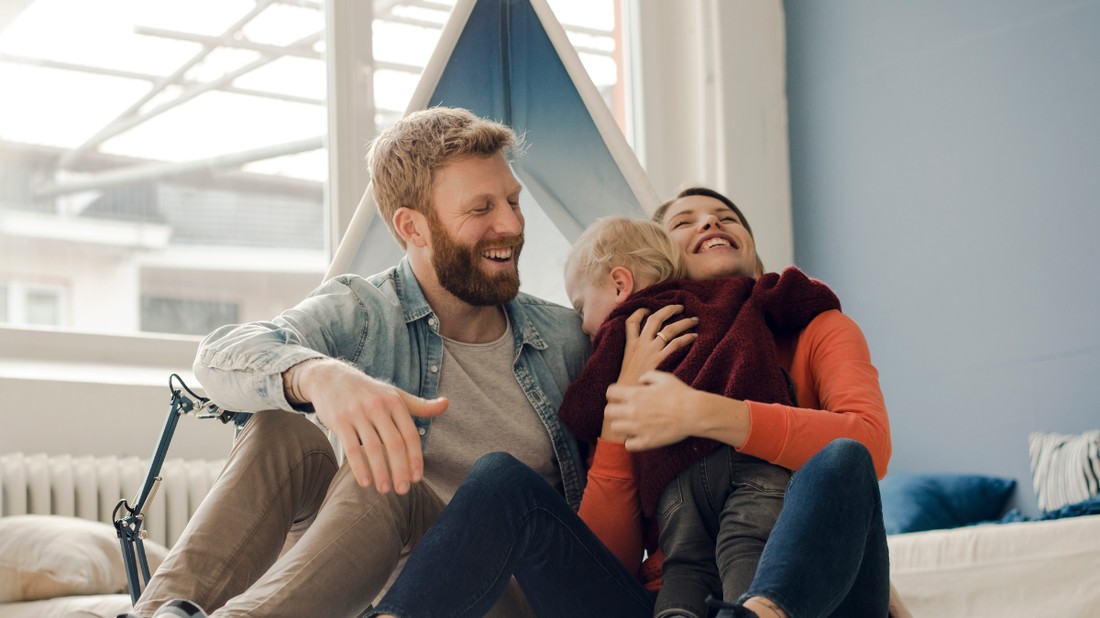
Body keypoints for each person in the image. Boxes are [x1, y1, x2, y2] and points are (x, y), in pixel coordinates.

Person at [121, 106, 592, 618]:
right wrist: (318, 376)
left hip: (501, 593)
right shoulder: (366, 312)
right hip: (384, 589)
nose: (511, 224)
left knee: (385, 474)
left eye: (513, 201)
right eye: (481, 209)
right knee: (284, 431)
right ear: (413, 228)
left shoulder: (565, 338)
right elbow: (216, 359)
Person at [368, 187, 903, 618]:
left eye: (725, 216)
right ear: (657, 268)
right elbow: (612, 556)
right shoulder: (626, 357)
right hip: (667, 599)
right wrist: (624, 397)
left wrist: (705, 413)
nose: (710, 224)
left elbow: (870, 446)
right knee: (499, 480)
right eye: (685, 221)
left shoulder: (815, 326)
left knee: (842, 456)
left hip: (805, 594)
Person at [556, 216, 841, 618]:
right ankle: (745, 610)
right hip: (754, 462)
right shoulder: (737, 293)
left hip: (676, 473)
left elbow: (584, 408)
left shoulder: (624, 326)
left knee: (686, 562)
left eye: (581, 306)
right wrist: (823, 302)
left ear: (620, 285)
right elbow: (795, 293)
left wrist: (585, 414)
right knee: (749, 543)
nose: (583, 324)